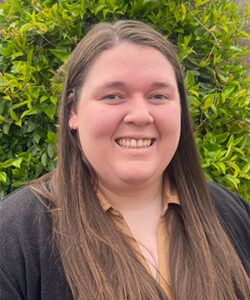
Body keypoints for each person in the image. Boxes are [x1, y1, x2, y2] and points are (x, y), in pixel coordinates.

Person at [0, 20, 249, 300]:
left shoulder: (231, 214)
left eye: (158, 95)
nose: (140, 115)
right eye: (113, 96)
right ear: (73, 112)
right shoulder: (13, 237)